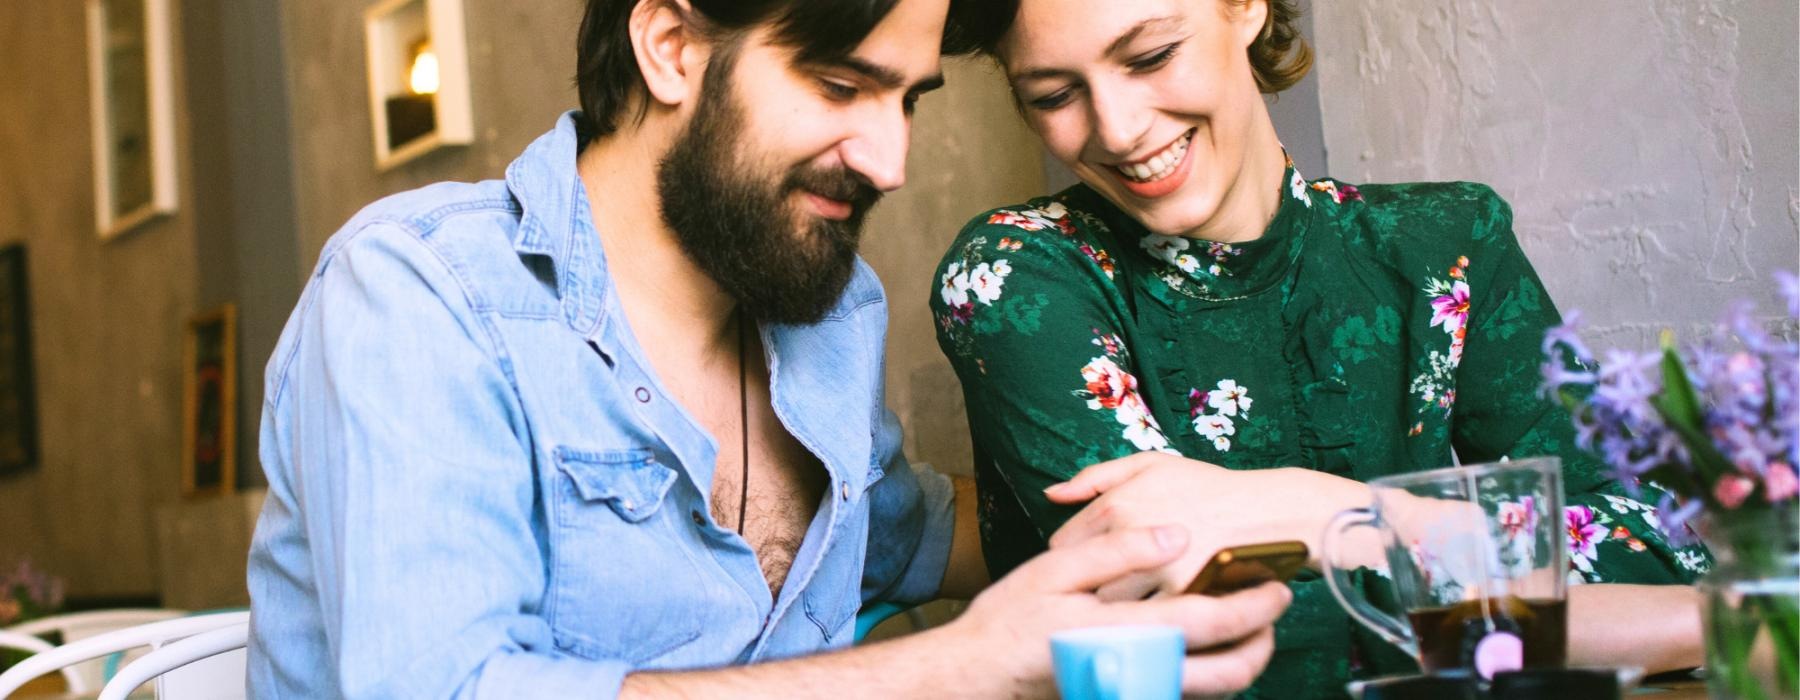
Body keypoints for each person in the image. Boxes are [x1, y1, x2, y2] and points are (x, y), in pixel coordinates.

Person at [246, 0, 1294, 697]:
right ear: (670, 45)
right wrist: (959, 664)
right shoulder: (416, 297)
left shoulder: (824, 310)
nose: (890, 158)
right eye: (842, 87)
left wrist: (1250, 496)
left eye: (907, 99)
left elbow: (920, 530)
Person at [929, 0, 1713, 696]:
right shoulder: (1013, 277)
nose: (1118, 128)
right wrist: (1658, 622)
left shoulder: (1452, 246)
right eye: (1055, 96)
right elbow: (1181, 650)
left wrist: (1319, 511)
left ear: (1246, 7)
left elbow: (1653, 545)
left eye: (1150, 56)